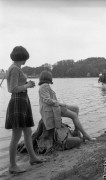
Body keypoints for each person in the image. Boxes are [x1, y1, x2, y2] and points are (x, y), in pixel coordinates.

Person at [5, 46, 46, 174]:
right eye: (24, 58)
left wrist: (26, 84)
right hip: (17, 101)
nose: (25, 61)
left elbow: (17, 85)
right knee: (16, 135)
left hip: (23, 100)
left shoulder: (16, 68)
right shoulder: (15, 68)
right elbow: (12, 89)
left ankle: (32, 158)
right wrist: (28, 85)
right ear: (20, 57)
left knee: (28, 131)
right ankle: (12, 165)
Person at [38, 70, 93, 144]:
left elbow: (50, 100)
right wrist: (59, 103)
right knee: (74, 115)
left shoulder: (45, 86)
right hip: (53, 110)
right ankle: (85, 135)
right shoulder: (44, 86)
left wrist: (60, 103)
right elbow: (47, 100)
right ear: (48, 78)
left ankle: (76, 131)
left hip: (55, 106)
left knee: (76, 108)